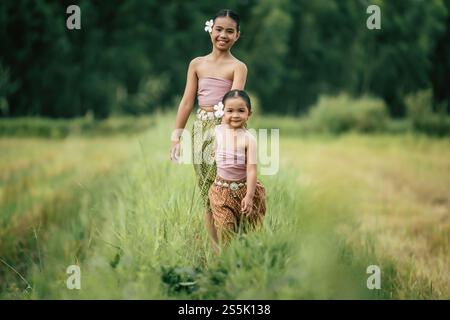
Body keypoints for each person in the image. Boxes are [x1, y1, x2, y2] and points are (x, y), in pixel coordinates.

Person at [170, 9, 247, 254]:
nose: (223, 35)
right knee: (207, 194)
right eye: (219, 29)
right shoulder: (197, 64)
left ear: (237, 35)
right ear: (210, 30)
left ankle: (233, 248)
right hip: (200, 130)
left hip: (227, 130)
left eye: (229, 31)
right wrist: (177, 135)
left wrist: (224, 135)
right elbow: (186, 102)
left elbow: (234, 104)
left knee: (227, 189)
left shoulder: (238, 67)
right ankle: (216, 255)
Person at [208, 89, 266, 247]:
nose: (235, 115)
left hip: (244, 190)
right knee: (226, 231)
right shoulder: (218, 132)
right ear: (223, 113)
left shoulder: (249, 139)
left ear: (249, 114)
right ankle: (227, 265)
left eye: (241, 111)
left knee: (247, 234)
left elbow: (252, 169)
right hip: (221, 191)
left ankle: (245, 264)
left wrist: (249, 195)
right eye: (230, 111)